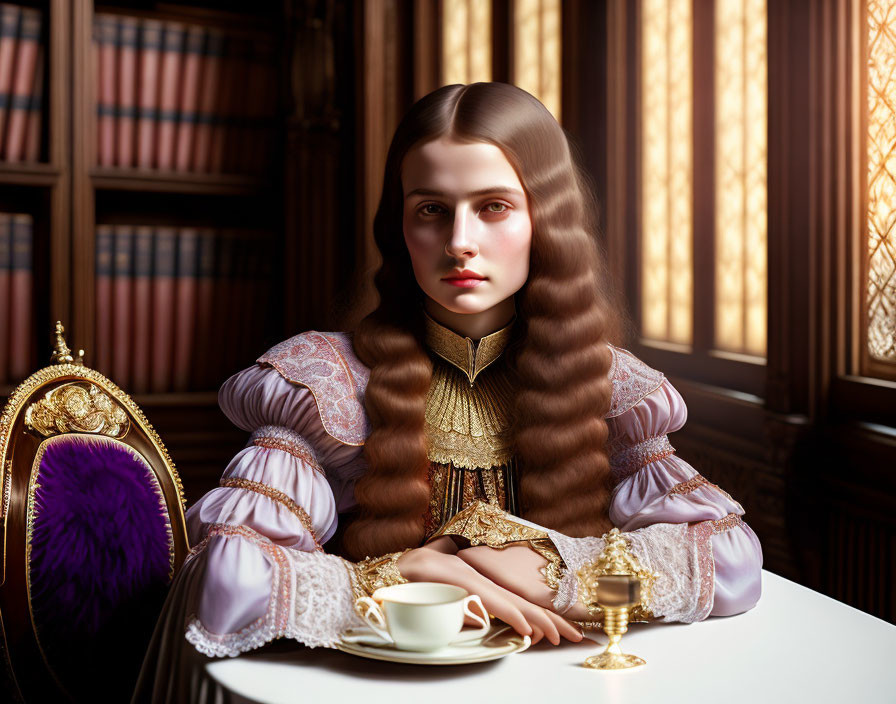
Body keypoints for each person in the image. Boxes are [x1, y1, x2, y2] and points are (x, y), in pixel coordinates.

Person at [132, 82, 762, 702]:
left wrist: (554, 568)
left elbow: (731, 558)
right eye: (431, 209)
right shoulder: (326, 380)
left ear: (547, 220)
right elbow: (225, 578)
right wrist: (398, 574)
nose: (460, 240)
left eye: (493, 206)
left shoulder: (609, 384)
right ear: (399, 227)